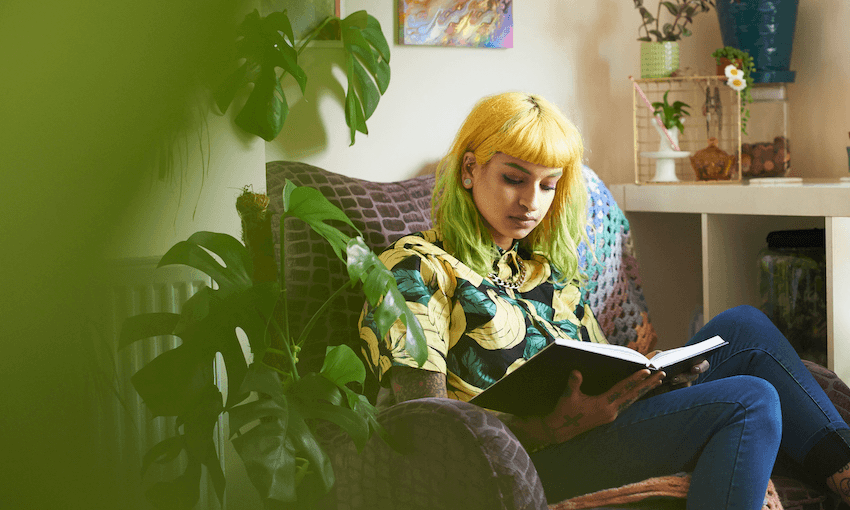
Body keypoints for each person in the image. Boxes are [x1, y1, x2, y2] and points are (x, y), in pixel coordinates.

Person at [358, 91, 850, 509]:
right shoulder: (413, 267)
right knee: (752, 400)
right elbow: (426, 423)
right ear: (470, 170)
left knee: (746, 328)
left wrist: (649, 373)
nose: (531, 201)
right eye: (514, 178)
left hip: (600, 429)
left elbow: (601, 365)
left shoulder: (543, 271)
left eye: (548, 185)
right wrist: (549, 427)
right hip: (538, 456)